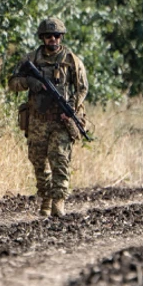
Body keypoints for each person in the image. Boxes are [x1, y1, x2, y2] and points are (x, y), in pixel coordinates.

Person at [8, 17, 88, 217]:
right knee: (38, 160)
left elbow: (82, 89)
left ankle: (58, 201)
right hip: (37, 119)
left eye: (56, 36)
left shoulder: (72, 60)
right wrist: (29, 82)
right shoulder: (31, 59)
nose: (52, 39)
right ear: (42, 37)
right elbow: (12, 83)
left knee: (60, 160)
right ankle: (45, 197)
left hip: (61, 119)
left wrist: (70, 107)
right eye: (48, 36)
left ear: (61, 37)